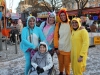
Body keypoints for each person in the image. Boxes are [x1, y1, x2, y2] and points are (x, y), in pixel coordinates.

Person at [54, 8, 71, 75]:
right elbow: (55, 36)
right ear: (59, 17)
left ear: (66, 15)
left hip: (68, 48)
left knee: (67, 64)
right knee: (61, 62)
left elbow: (77, 28)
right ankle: (61, 72)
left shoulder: (70, 23)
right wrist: (56, 47)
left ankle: (67, 73)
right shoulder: (58, 25)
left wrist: (81, 27)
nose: (63, 17)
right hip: (60, 48)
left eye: (64, 15)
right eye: (61, 15)